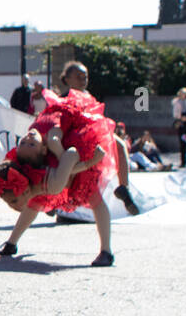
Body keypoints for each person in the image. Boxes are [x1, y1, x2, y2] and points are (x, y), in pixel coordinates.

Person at [0, 88, 119, 266]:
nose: (27, 138)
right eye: (25, 142)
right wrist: (65, 162)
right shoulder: (34, 155)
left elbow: (66, 155)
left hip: (77, 139)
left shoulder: (43, 142)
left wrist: (68, 162)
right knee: (36, 200)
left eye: (28, 142)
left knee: (94, 199)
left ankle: (106, 251)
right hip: (66, 152)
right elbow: (64, 157)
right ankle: (11, 243)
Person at [57, 60, 140, 216]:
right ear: (67, 79)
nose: (83, 80)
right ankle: (57, 198)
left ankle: (123, 188)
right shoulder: (63, 98)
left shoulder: (89, 96)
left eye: (85, 76)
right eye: (78, 76)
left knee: (120, 145)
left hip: (96, 135)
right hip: (74, 138)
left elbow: (98, 118)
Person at [174, 87, 186, 169]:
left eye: (184, 93)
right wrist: (180, 119)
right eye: (181, 93)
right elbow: (176, 115)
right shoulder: (177, 102)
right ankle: (183, 162)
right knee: (182, 144)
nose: (182, 95)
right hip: (181, 125)